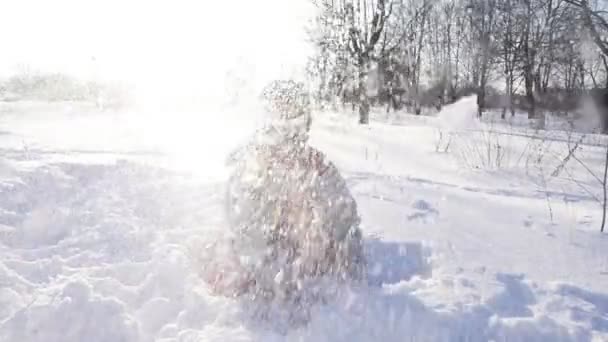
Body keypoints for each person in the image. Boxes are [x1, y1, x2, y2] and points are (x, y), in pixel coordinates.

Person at [209, 80, 365, 311]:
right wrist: (270, 273)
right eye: (279, 118)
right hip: (256, 283)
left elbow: (346, 223)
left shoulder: (318, 166)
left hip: (309, 278)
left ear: (305, 124)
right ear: (267, 122)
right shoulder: (253, 166)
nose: (286, 130)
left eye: (294, 119)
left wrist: (334, 253)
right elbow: (242, 230)